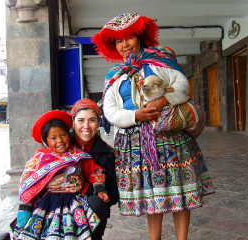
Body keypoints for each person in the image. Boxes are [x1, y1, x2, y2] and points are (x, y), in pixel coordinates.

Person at [92, 13, 215, 240]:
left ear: (138, 37)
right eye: (119, 41)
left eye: (128, 38)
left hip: (170, 137)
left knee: (180, 188)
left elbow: (182, 86)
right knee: (152, 194)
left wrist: (162, 100)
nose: (124, 44)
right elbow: (109, 110)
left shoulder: (160, 61)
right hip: (136, 143)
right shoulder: (115, 76)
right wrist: (135, 115)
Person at [13, 110, 109, 240]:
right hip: (47, 206)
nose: (60, 141)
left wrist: (99, 189)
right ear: (46, 141)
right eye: (53, 138)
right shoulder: (40, 160)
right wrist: (25, 209)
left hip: (74, 204)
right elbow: (29, 183)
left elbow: (95, 171)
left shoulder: (78, 156)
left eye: (63, 135)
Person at [46, 99, 119, 240]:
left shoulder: (107, 154)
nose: (86, 126)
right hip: (58, 204)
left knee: (97, 203)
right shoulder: (60, 144)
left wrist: (86, 188)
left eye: (92, 120)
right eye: (80, 120)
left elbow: (113, 196)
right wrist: (48, 183)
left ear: (99, 123)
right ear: (73, 123)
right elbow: (39, 170)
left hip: (89, 210)